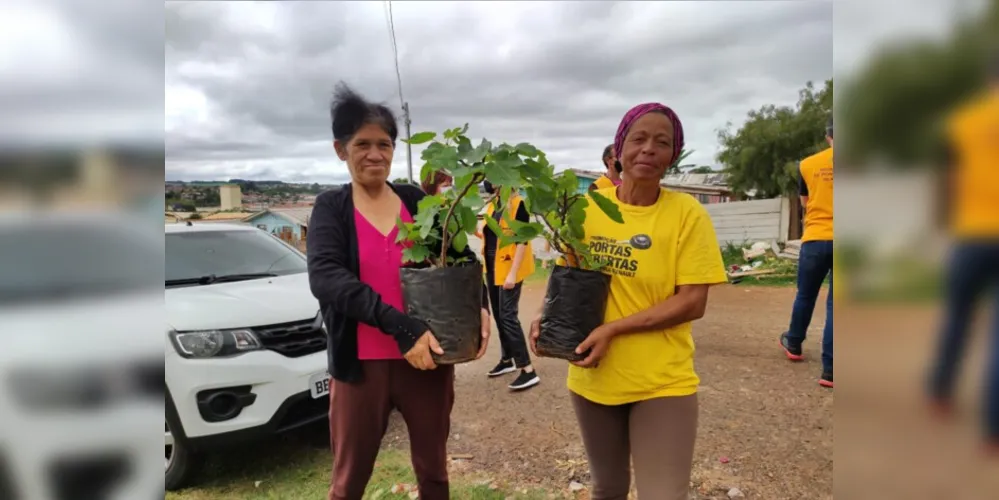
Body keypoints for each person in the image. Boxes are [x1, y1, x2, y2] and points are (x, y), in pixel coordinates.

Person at [530, 103, 727, 499]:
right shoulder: (587, 210)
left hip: (662, 380)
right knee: (609, 489)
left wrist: (614, 328)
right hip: (594, 374)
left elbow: (692, 302)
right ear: (618, 149)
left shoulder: (686, 214)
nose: (648, 149)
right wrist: (544, 316)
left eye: (662, 142)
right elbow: (569, 281)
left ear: (673, 155)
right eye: (638, 138)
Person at [307, 82, 491, 500]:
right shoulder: (331, 209)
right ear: (341, 149)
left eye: (385, 144)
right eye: (363, 144)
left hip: (427, 361)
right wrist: (399, 326)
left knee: (434, 473)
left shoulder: (414, 200)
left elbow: (461, 259)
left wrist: (478, 307)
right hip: (361, 367)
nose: (375, 154)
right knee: (349, 480)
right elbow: (326, 278)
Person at [926, 57, 999, 455]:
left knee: (957, 316)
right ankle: (993, 429)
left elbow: (947, 181)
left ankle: (939, 392)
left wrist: (942, 228)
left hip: (970, 234)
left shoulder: (964, 121)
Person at [779, 117, 834, 388]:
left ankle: (794, 344)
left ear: (828, 136)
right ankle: (831, 371)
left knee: (806, 294)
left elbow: (804, 203)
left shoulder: (808, 164)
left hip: (815, 238)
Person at [479, 179, 540, 390]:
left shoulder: (518, 204)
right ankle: (508, 360)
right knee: (498, 315)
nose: (490, 184)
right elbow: (492, 235)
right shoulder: (493, 204)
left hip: (509, 269)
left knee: (508, 316)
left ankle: (528, 369)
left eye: (494, 180)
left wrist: (513, 274)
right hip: (492, 267)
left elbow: (523, 240)